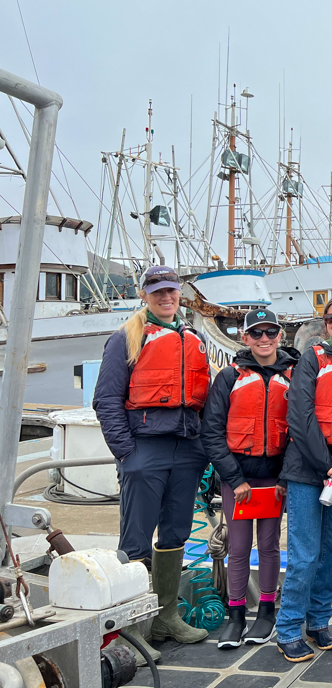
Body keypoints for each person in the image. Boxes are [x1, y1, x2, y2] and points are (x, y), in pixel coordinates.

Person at [93, 265, 211, 664]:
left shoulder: (192, 339)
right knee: (136, 539)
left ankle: (166, 617)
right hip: (144, 450)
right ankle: (131, 630)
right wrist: (126, 453)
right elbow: (106, 400)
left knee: (176, 531)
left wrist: (204, 450)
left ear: (179, 294)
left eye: (171, 291)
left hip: (187, 450)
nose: (166, 297)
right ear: (145, 295)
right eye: (157, 291)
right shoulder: (125, 338)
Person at [274, 296, 332, 663]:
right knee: (304, 554)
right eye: (330, 319)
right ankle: (287, 629)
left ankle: (318, 621)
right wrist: (327, 464)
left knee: (331, 552)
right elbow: (299, 417)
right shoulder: (312, 359)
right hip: (306, 470)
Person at [200, 309, 299, 649]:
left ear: (280, 336)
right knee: (239, 548)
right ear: (245, 338)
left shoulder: (292, 375)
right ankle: (237, 615)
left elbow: (299, 431)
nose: (264, 339)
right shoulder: (228, 377)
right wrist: (234, 478)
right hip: (238, 481)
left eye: (271, 332)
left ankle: (267, 612)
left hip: (275, 479)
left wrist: (286, 476)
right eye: (257, 333)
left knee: (270, 547)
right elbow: (212, 432)